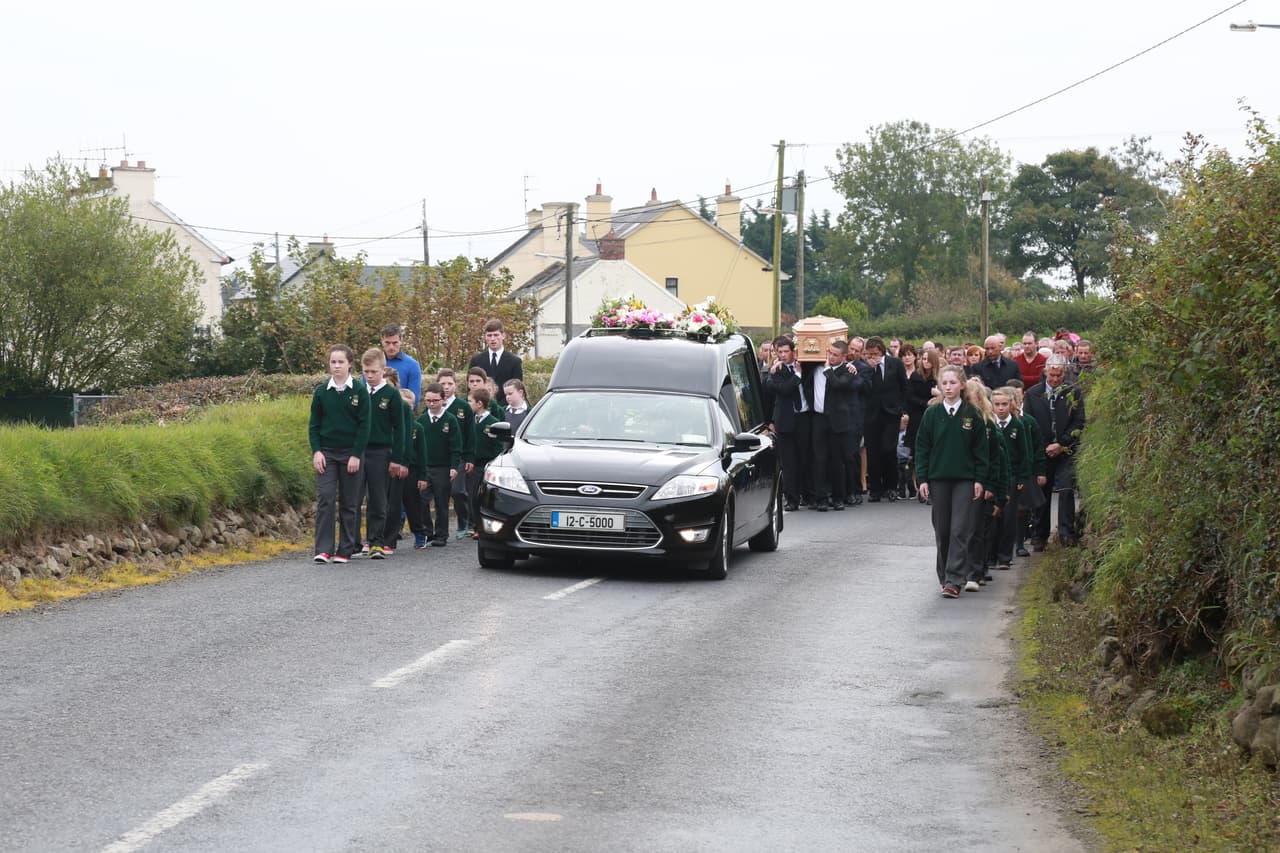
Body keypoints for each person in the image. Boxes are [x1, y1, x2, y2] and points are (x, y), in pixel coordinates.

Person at [915, 365, 989, 599]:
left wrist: (979, 479)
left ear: (962, 385)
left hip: (965, 480)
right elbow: (922, 448)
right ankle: (944, 575)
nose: (948, 387)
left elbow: (981, 451)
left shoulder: (972, 414)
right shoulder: (932, 414)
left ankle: (954, 579)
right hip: (938, 479)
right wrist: (922, 478)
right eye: (944, 383)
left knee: (959, 529)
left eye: (952, 383)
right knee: (943, 530)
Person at [309, 344, 371, 564]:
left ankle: (345, 548)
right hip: (327, 453)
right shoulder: (321, 392)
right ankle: (323, 549)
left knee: (349, 502)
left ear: (350, 364)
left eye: (340, 362)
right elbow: (314, 425)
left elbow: (365, 426)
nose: (336, 366)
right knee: (325, 499)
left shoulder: (359, 391)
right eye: (333, 362)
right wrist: (317, 451)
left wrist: (356, 454)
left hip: (351, 454)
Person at [1024, 356, 1085, 548]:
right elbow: (1029, 423)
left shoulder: (1073, 392)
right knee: (1042, 489)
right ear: (1045, 372)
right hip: (1042, 450)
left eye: (1059, 375)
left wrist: (1062, 443)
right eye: (1052, 375)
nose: (1055, 379)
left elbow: (1078, 421)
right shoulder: (1033, 393)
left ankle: (1066, 532)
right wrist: (1043, 446)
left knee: (1066, 488)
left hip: (1065, 450)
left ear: (1064, 373)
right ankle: (1039, 534)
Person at [805, 340, 865, 511]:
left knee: (837, 461)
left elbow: (839, 384)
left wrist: (828, 370)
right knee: (819, 460)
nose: (831, 357)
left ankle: (838, 497)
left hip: (838, 421)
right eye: (829, 353)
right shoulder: (815, 367)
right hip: (819, 419)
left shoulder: (848, 371)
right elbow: (797, 361)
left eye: (835, 355)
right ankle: (821, 498)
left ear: (844, 357)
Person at [962, 378, 1009, 591]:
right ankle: (965, 569)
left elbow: (996, 460)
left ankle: (978, 569)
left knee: (978, 530)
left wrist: (992, 487)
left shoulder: (988, 425)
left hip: (982, 483)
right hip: (964, 481)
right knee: (963, 529)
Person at [358, 348, 406, 559]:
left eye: (374, 372)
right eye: (366, 371)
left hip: (381, 451)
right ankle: (352, 543)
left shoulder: (391, 394)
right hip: (359, 451)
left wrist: (397, 458)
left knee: (377, 500)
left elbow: (400, 428)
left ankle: (376, 541)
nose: (369, 376)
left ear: (383, 370)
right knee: (354, 499)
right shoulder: (359, 392)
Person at [764, 336, 811, 512]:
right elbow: (783, 389)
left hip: (804, 418)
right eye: (780, 352)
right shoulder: (776, 371)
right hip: (785, 420)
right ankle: (792, 498)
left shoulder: (805, 365)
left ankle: (808, 494)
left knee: (805, 458)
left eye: (786, 351)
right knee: (789, 462)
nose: (783, 355)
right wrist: (797, 375)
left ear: (793, 351)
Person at [862, 336, 908, 502]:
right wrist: (870, 369)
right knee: (873, 452)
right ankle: (875, 489)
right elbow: (863, 388)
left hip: (891, 413)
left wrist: (901, 408)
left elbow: (904, 386)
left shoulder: (894, 364)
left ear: (881, 351)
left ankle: (891, 486)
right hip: (871, 414)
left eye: (875, 354)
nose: (872, 357)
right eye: (869, 354)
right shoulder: (865, 367)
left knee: (889, 449)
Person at [990, 386, 1031, 571]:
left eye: (1004, 404)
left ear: (1010, 405)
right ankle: (990, 556)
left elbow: (1024, 453)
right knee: (993, 517)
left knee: (1009, 517)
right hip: (995, 476)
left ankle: (1005, 557)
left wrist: (1022, 477)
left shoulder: (1017, 425)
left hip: (1012, 476)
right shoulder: (990, 424)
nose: (1001, 408)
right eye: (997, 404)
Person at [417, 382, 462, 547]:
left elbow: (456, 446)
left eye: (435, 400)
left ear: (443, 400)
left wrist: (454, 466)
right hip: (425, 467)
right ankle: (427, 531)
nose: (431, 404)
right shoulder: (422, 420)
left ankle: (441, 534)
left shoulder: (450, 420)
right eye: (428, 401)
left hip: (443, 467)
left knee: (441, 502)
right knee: (422, 500)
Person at [437, 368, 475, 539]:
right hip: (439, 458)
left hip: (458, 456)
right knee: (440, 494)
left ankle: (464, 520)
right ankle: (440, 529)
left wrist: (469, 457)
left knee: (458, 491)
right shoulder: (434, 405)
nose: (446, 387)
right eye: (443, 384)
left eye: (449, 383)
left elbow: (470, 434)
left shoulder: (463, 407)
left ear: (456, 385)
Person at [395, 389, 431, 550]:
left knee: (413, 504)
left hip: (412, 471)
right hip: (394, 469)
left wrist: (423, 476)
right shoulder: (393, 425)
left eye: (409, 406)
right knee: (393, 505)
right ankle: (390, 535)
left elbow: (422, 454)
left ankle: (419, 533)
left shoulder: (417, 428)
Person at [467, 386, 503, 540]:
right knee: (472, 496)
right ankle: (476, 526)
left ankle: (486, 526)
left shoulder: (493, 423)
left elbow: (498, 446)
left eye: (470, 401)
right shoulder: (470, 421)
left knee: (485, 497)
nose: (468, 404)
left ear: (479, 403)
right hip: (473, 465)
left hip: (487, 465)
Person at [468, 318, 523, 406]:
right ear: (485, 337)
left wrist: (498, 407)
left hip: (505, 407)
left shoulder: (514, 361)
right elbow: (470, 388)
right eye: (489, 335)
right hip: (481, 407)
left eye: (496, 335)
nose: (493, 339)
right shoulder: (476, 360)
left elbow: (516, 388)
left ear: (503, 336)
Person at [381, 323, 421, 410]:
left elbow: (414, 401)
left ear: (401, 341)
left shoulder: (412, 365)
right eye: (387, 343)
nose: (391, 347)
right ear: (382, 341)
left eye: (395, 343)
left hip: (401, 414)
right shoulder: (373, 364)